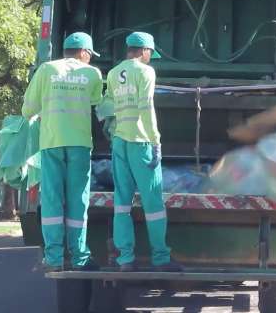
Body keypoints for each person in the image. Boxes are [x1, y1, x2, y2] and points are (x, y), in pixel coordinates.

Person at [22, 32, 103, 272]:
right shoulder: (93, 73)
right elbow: (97, 103)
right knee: (78, 199)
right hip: (79, 144)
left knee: (52, 200)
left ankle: (54, 258)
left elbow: (28, 110)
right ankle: (79, 257)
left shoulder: (46, 70)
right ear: (85, 53)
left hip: (52, 143)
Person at [104, 32, 181, 272]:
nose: (150, 57)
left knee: (122, 203)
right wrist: (156, 140)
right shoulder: (146, 72)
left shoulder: (114, 72)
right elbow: (146, 107)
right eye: (150, 53)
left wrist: (110, 127)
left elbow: (107, 106)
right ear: (145, 50)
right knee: (153, 203)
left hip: (120, 143)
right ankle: (160, 257)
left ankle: (125, 259)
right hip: (141, 142)